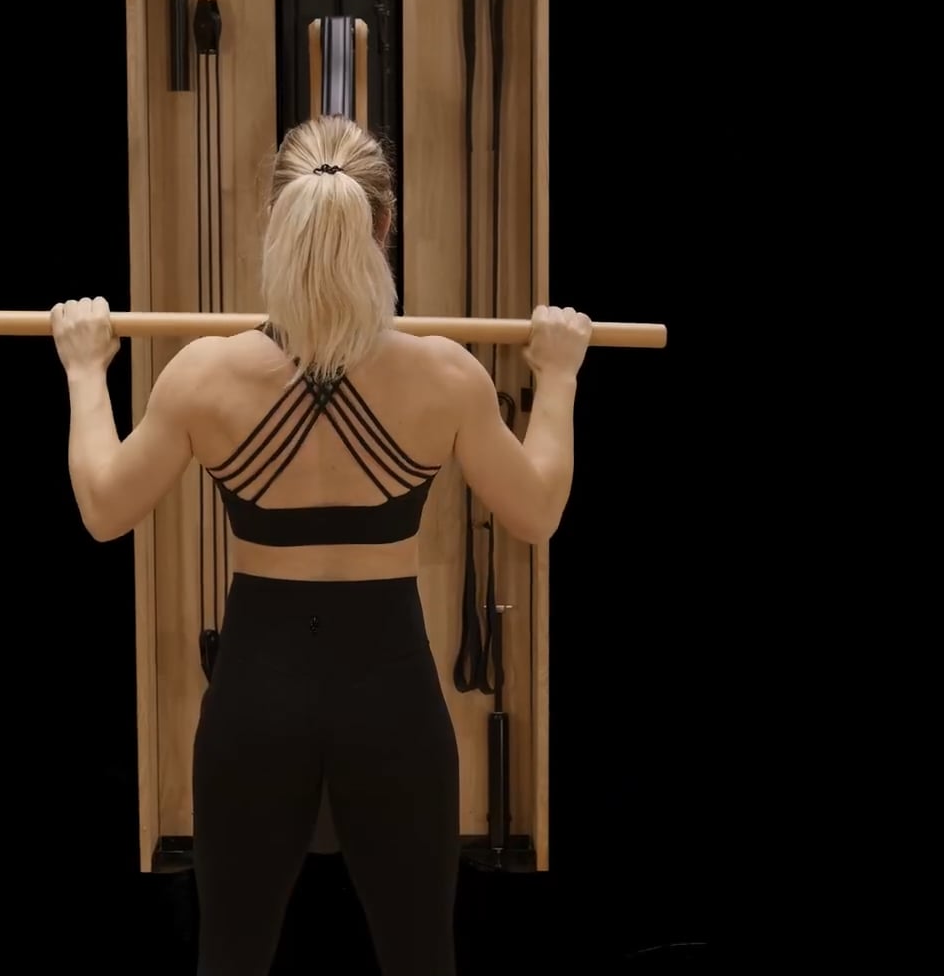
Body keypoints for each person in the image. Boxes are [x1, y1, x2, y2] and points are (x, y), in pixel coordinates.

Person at [49, 115, 591, 975]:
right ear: (386, 226)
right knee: (421, 959)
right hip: (394, 703)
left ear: (277, 221)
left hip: (255, 703)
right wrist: (558, 375)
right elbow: (538, 511)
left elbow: (105, 508)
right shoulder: (447, 375)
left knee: (230, 958)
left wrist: (85, 370)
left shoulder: (202, 375)